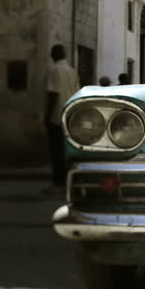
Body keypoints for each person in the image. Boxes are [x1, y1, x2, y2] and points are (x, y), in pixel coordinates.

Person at [45, 44, 81, 187]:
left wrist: (47, 116)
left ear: (53, 55)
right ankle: (66, 180)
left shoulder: (54, 70)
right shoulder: (72, 72)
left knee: (56, 151)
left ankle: (58, 181)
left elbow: (53, 94)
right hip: (70, 117)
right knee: (66, 151)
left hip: (56, 117)